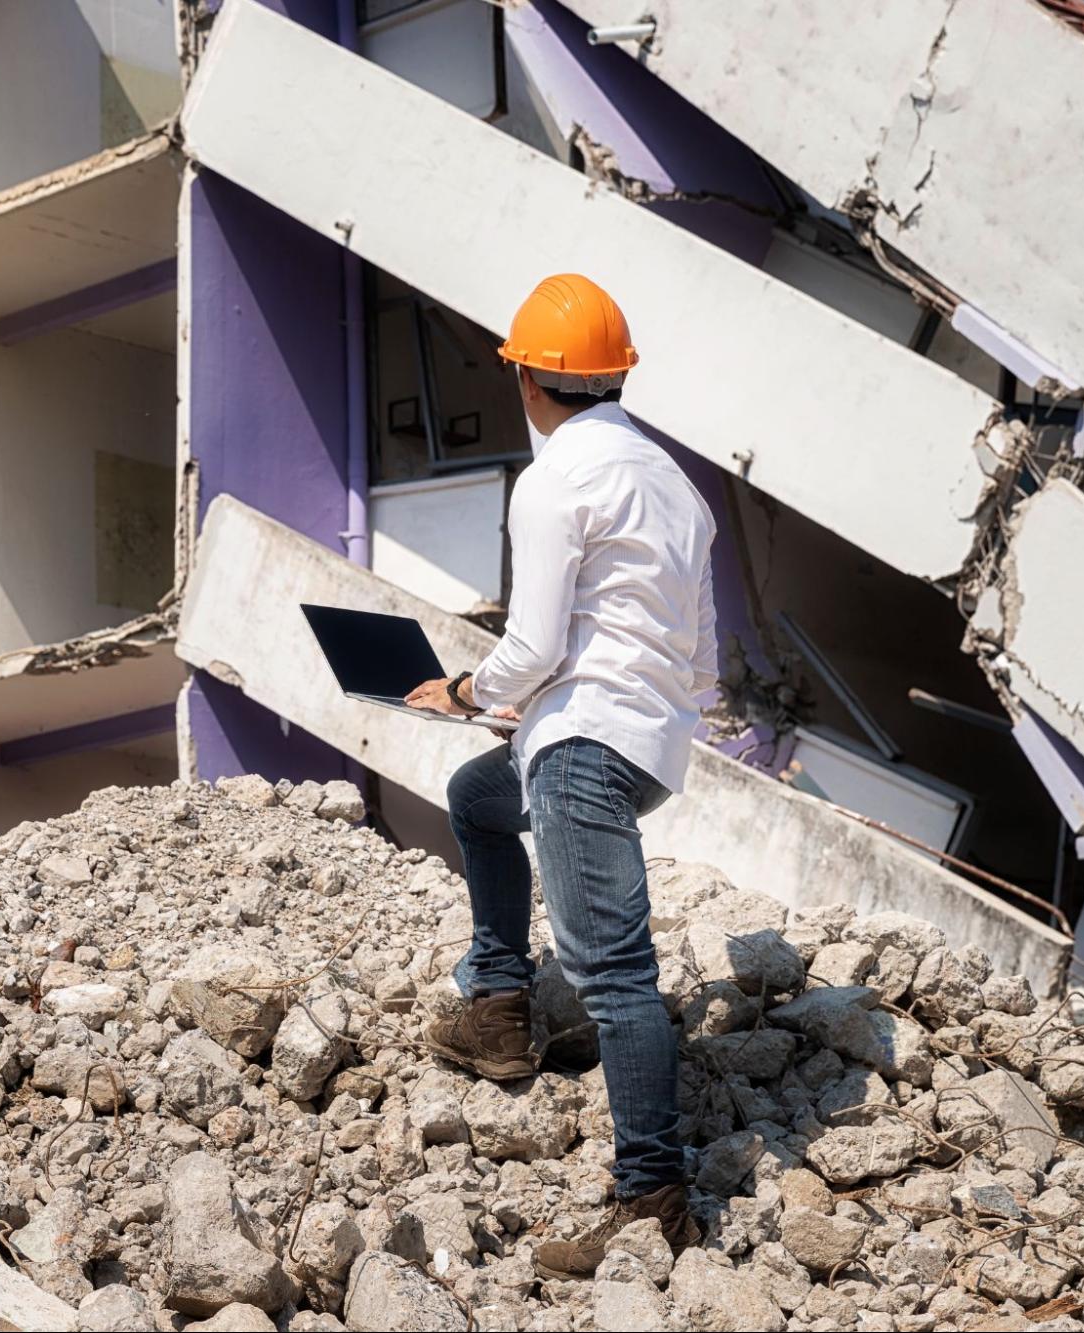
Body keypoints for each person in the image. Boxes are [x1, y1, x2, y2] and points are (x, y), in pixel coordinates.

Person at [404, 273, 718, 1274]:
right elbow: (695, 659)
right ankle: (497, 1003)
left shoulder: (553, 481)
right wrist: (534, 706)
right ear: (613, 377)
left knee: (618, 977)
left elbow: (533, 641)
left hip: (582, 745)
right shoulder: (678, 487)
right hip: (641, 747)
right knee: (479, 799)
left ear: (531, 381)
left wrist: (465, 688)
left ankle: (653, 1198)